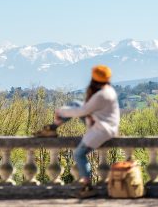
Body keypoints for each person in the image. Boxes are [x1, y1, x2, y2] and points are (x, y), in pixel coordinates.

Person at [35, 65, 120, 198]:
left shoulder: (101, 95)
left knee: (79, 154)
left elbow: (83, 111)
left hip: (102, 129)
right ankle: (52, 128)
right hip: (101, 123)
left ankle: (87, 186)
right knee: (75, 103)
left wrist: (60, 111)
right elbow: (84, 109)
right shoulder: (109, 91)